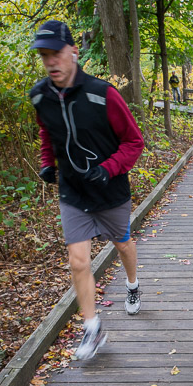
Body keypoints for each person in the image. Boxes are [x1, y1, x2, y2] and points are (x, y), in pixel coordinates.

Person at [29, 19, 145, 360]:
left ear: (74, 52)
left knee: (123, 245)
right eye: (44, 55)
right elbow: (47, 133)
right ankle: (92, 329)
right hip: (73, 192)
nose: (51, 62)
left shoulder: (102, 93)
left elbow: (134, 141)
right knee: (78, 261)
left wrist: (108, 169)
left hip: (109, 190)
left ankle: (133, 286)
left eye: (57, 53)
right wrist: (47, 162)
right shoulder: (40, 96)